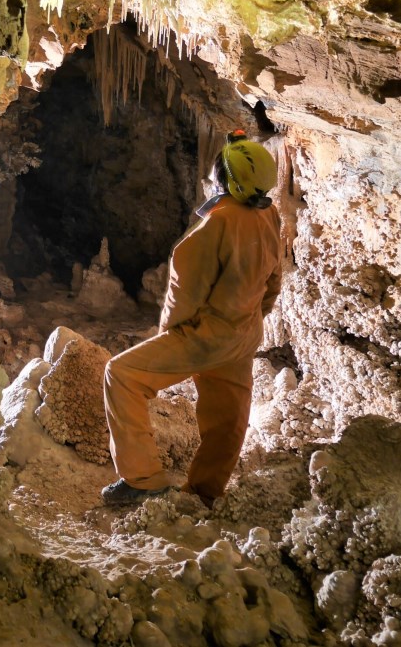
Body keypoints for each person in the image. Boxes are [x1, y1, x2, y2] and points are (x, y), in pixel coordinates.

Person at [101, 130, 282, 508]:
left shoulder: (215, 224)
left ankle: (142, 479)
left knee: (122, 374)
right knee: (228, 417)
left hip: (206, 337)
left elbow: (185, 291)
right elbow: (273, 281)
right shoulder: (269, 216)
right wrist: (251, 320)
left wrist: (172, 334)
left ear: (228, 180)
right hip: (244, 336)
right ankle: (206, 491)